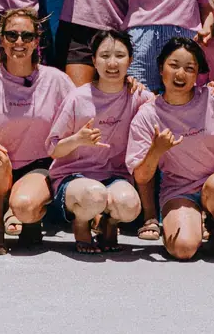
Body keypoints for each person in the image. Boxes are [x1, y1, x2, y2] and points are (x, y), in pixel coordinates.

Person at [0, 4, 77, 255]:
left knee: (26, 206)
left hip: (39, 165)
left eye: (27, 36)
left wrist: (128, 85)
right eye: (12, 35)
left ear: (36, 42)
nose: (19, 41)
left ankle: (29, 218)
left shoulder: (56, 80)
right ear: (0, 40)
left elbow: (84, 110)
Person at [126, 38, 214, 260]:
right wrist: (157, 149)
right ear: (161, 68)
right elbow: (141, 176)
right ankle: (196, 222)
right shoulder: (147, 115)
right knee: (183, 249)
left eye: (189, 68)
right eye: (174, 65)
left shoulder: (213, 99)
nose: (180, 74)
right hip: (179, 189)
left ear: (198, 73)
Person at [44, 29, 150, 252]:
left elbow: (168, 105)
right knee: (94, 194)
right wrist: (77, 139)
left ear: (130, 60)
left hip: (114, 177)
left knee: (130, 205)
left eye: (120, 56)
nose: (112, 63)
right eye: (104, 56)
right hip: (74, 178)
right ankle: (81, 223)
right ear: (93, 60)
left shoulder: (138, 96)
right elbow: (53, 149)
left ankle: (108, 223)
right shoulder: (78, 97)